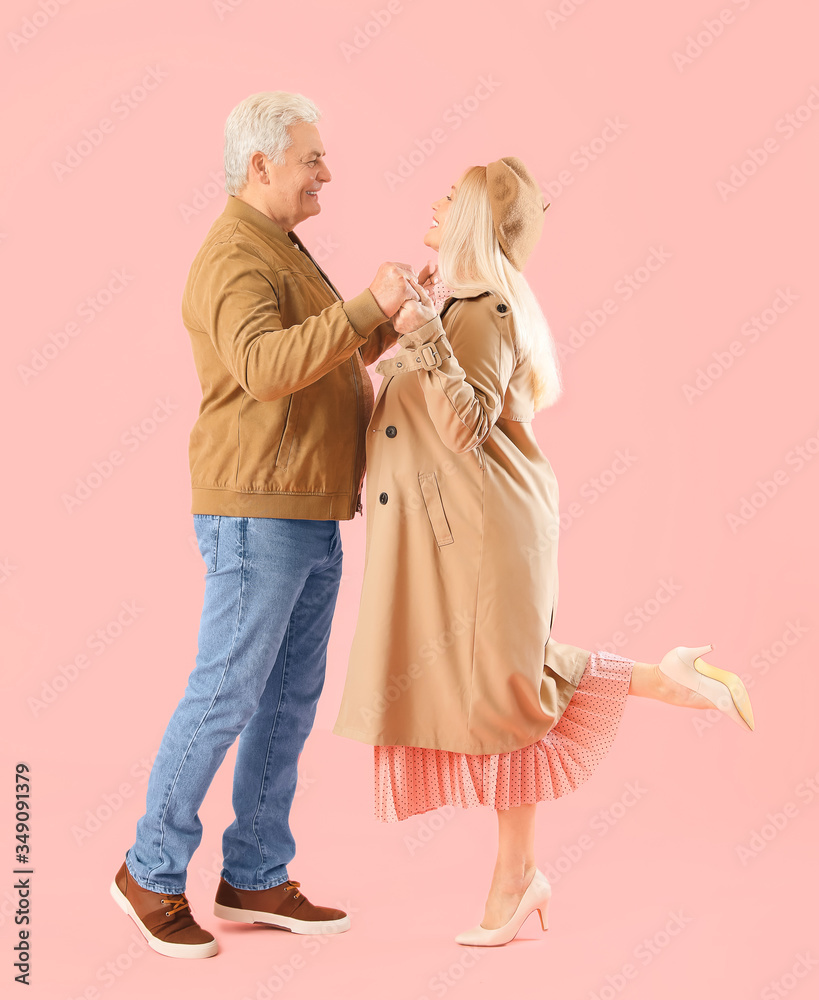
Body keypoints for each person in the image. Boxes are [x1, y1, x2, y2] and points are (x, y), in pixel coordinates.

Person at [332, 156, 756, 947]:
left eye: (448, 197)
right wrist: (404, 322)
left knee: (505, 696)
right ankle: (668, 682)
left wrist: (422, 330)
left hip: (482, 531)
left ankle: (516, 877)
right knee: (507, 687)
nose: (431, 200)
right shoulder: (458, 304)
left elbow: (467, 423)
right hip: (458, 532)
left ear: (472, 222)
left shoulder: (484, 308)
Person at [110, 91, 424, 959]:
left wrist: (380, 323)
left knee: (286, 700)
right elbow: (262, 367)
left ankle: (254, 871)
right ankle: (149, 870)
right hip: (257, 511)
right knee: (226, 692)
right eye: (311, 159)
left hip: (307, 507)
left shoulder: (279, 246)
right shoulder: (233, 258)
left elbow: (314, 354)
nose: (326, 173)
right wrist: (364, 308)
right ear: (261, 165)